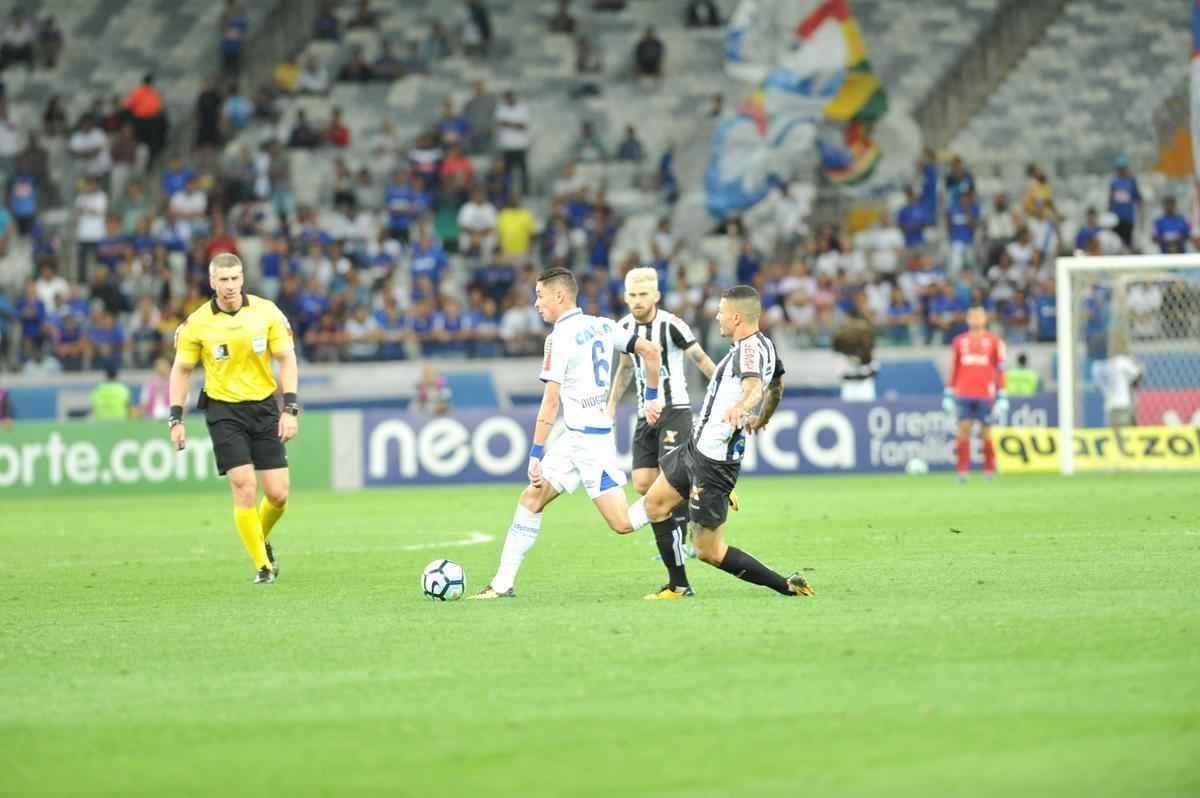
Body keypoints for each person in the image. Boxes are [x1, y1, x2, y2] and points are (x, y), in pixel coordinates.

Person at [469, 268, 664, 599]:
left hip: (591, 444)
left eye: (540, 295)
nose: (536, 304)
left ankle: (677, 492)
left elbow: (551, 400)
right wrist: (653, 396)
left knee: (622, 523)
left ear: (559, 296)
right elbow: (651, 351)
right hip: (575, 437)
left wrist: (535, 453)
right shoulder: (602, 325)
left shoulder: (558, 338)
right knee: (531, 499)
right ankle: (502, 584)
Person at [621, 285, 814, 598]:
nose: (717, 316)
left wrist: (744, 407)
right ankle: (678, 586)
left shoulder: (750, 351)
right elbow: (776, 384)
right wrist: (764, 417)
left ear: (737, 317)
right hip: (695, 449)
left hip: (714, 463)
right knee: (656, 505)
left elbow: (753, 386)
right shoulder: (762, 345)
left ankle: (786, 586)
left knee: (709, 551)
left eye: (722, 312)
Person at [169, 253, 300, 584]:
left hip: (264, 407)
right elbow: (181, 370)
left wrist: (290, 408)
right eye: (223, 280)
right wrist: (176, 418)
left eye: (235, 278)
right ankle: (263, 568)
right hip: (224, 410)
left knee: (279, 495)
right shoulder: (196, 324)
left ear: (243, 279)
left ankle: (259, 539)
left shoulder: (266, 312)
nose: (229, 286)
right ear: (212, 282)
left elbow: (287, 359)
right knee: (244, 487)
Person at [606, 267, 718, 599]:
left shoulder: (672, 324)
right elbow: (626, 368)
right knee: (642, 483)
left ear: (656, 296)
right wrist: (611, 405)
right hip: (645, 415)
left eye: (644, 295)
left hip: (675, 411)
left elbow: (700, 359)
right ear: (625, 296)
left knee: (670, 479)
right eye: (632, 295)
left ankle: (682, 542)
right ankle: (684, 525)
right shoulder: (625, 328)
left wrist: (723, 391)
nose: (637, 301)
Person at [942, 305, 1007, 481]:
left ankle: (989, 470)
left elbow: (1001, 369)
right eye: (973, 316)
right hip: (964, 393)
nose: (976, 319)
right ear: (968, 319)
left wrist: (1002, 394)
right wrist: (949, 392)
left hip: (986, 393)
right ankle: (962, 471)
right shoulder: (959, 341)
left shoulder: (995, 341)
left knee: (986, 432)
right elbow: (954, 367)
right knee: (963, 431)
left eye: (979, 316)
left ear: (985, 319)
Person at [1091, 343, 1143, 429]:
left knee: (1114, 433)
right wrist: (1138, 365)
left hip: (1110, 406)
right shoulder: (1121, 361)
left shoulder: (1096, 366)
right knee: (1128, 431)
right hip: (1124, 404)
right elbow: (1137, 374)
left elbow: (1097, 385)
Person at [1108, 155, 1141, 250]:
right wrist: (1109, 212)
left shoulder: (1131, 181)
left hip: (1128, 218)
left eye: (1123, 168)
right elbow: (1110, 198)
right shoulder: (1114, 182)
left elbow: (1137, 197)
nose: (1121, 171)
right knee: (1116, 243)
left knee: (1128, 243)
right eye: (1119, 168)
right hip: (1116, 219)